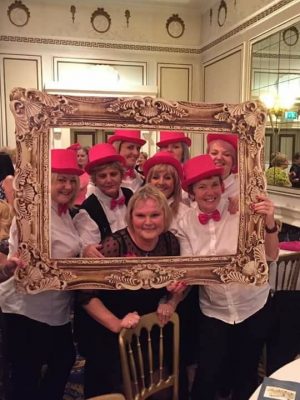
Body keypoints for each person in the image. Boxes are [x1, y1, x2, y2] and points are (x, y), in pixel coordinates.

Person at [176, 154, 279, 400]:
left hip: (252, 304)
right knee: (208, 375)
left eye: (214, 184)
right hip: (214, 309)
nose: (210, 192)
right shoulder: (185, 223)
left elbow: (271, 255)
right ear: (192, 191)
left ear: (222, 186)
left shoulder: (241, 211)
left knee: (246, 374)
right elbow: (191, 269)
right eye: (202, 186)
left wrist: (269, 220)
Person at [0, 148, 99, 400]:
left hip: (57, 308)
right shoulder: (32, 214)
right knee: (27, 377)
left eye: (72, 180)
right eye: (61, 179)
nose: (67, 186)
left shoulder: (67, 214)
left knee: (61, 362)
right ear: (47, 182)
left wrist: (85, 248)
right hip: (26, 308)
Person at [75, 184, 182, 398]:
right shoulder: (114, 245)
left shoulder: (171, 242)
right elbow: (85, 295)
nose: (148, 222)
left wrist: (171, 301)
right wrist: (117, 325)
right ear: (130, 216)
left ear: (165, 216)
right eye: (141, 215)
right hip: (109, 330)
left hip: (148, 331)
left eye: (155, 215)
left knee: (152, 390)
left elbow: (179, 286)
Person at [144, 151, 198, 399]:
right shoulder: (139, 205)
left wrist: (174, 299)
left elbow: (187, 260)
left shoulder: (186, 212)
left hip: (180, 291)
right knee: (151, 352)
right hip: (145, 288)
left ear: (176, 182)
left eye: (168, 177)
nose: (162, 182)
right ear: (148, 179)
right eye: (156, 177)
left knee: (180, 352)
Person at [78, 143, 134, 257]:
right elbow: (93, 251)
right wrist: (86, 250)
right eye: (102, 176)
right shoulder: (88, 209)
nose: (109, 180)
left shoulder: (130, 195)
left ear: (121, 175)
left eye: (113, 174)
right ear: (95, 180)